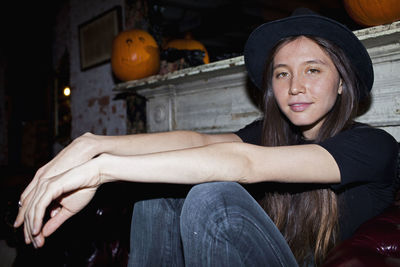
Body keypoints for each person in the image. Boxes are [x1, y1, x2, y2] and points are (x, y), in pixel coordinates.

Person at [14, 8, 398, 267]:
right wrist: (93, 145)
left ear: (343, 84)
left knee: (214, 196)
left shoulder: (372, 146)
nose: (295, 86)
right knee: (161, 189)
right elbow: (198, 141)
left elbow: (245, 163)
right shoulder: (270, 135)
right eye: (282, 73)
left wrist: (102, 172)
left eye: (312, 70)